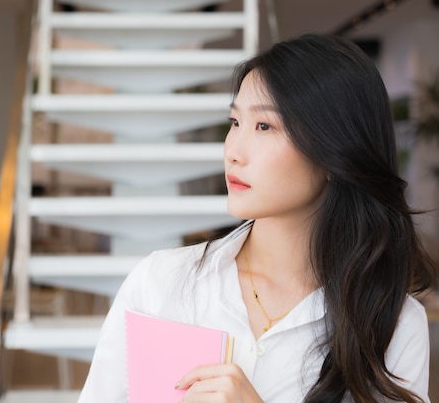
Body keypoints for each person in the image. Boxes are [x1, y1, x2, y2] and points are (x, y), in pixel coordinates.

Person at [78, 34, 437, 403]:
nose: (233, 151)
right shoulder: (159, 284)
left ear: (334, 151)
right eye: (235, 122)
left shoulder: (393, 325)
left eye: (264, 126)